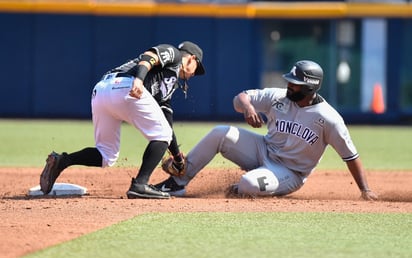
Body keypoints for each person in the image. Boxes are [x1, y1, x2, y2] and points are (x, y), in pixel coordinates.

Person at [155, 60, 378, 201]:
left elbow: (351, 156)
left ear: (310, 87)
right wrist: (249, 107)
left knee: (248, 184)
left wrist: (365, 190)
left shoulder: (329, 119)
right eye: (289, 81)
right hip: (264, 150)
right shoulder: (279, 97)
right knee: (220, 132)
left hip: (291, 172)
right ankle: (177, 183)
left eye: (295, 83)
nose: (289, 85)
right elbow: (240, 97)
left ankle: (243, 188)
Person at [39, 41, 206, 199]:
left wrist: (177, 158)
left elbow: (166, 123)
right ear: (191, 58)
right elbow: (149, 57)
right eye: (196, 69)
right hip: (125, 85)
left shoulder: (167, 86)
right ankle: (140, 184)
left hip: (102, 93)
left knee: (107, 155)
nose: (193, 75)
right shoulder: (175, 54)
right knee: (161, 133)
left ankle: (63, 161)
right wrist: (139, 80)